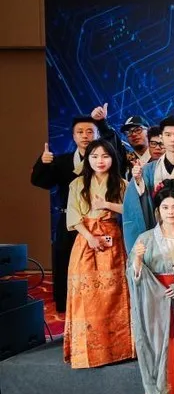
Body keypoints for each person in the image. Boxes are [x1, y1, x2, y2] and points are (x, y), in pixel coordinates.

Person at [127, 179, 174, 394]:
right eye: (165, 207)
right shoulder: (145, 239)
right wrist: (138, 260)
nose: (170, 212)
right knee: (164, 362)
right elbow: (134, 277)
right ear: (158, 210)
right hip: (157, 307)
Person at [64, 138, 133, 368]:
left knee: (114, 292)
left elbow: (130, 210)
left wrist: (107, 205)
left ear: (113, 158)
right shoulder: (77, 184)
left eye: (105, 156)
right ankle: (88, 351)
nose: (99, 161)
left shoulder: (121, 183)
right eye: (94, 156)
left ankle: (119, 348)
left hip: (113, 238)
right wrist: (90, 237)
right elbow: (73, 215)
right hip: (86, 240)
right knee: (86, 294)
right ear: (88, 159)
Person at [32, 115, 100, 313]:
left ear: (97, 135)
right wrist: (42, 163)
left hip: (96, 221)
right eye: (80, 132)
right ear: (73, 136)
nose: (85, 136)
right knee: (64, 260)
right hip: (68, 220)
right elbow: (41, 182)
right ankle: (64, 303)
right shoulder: (62, 161)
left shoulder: (105, 160)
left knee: (96, 263)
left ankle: (96, 304)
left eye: (90, 131)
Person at [123, 116, 174, 252]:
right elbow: (136, 202)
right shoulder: (148, 169)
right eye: (168, 135)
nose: (173, 139)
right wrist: (138, 181)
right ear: (161, 137)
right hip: (156, 233)